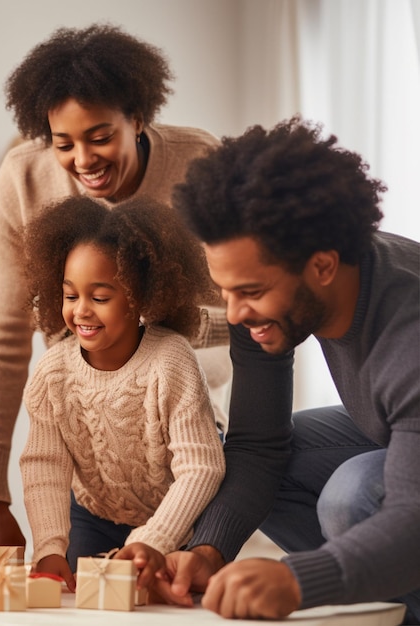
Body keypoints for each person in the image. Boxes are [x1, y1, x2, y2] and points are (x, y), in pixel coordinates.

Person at [140, 116, 418, 623]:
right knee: (277, 457)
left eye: (250, 292)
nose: (237, 314)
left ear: (323, 266)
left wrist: (296, 579)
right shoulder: (264, 299)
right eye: (226, 291)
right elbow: (258, 444)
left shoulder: (409, 335)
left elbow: (413, 518)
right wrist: (209, 552)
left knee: (352, 493)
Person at [0, 23, 231, 547]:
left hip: (186, 421)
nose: (83, 161)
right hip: (88, 445)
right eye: (63, 143)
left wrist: (168, 324)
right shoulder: (24, 178)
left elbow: (252, 306)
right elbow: (3, 340)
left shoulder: (201, 164)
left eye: (100, 137)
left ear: (137, 118)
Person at [18, 195, 226, 592]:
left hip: (182, 513)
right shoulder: (52, 373)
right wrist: (48, 546)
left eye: (99, 298)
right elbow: (44, 465)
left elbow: (202, 467)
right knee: (83, 602)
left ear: (140, 298)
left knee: (166, 606)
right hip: (96, 513)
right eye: (69, 295)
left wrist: (157, 538)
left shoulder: (171, 361)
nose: (81, 311)